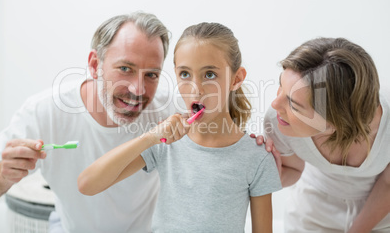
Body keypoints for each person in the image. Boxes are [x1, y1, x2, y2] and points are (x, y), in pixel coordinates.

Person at [78, 22, 282, 232]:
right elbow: (87, 184)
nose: (196, 89)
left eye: (209, 74)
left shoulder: (257, 158)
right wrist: (149, 138)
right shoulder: (165, 143)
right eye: (185, 74)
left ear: (236, 79)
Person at [0, 12, 176, 232]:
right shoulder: (44, 112)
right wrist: (3, 173)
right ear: (95, 65)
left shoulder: (169, 110)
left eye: (152, 75)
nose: (138, 89)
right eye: (125, 69)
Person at [261, 37, 390, 233]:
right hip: (311, 213)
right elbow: (293, 170)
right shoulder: (279, 120)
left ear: (335, 122)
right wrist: (266, 177)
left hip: (380, 216)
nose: (275, 105)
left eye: (293, 104)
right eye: (281, 86)